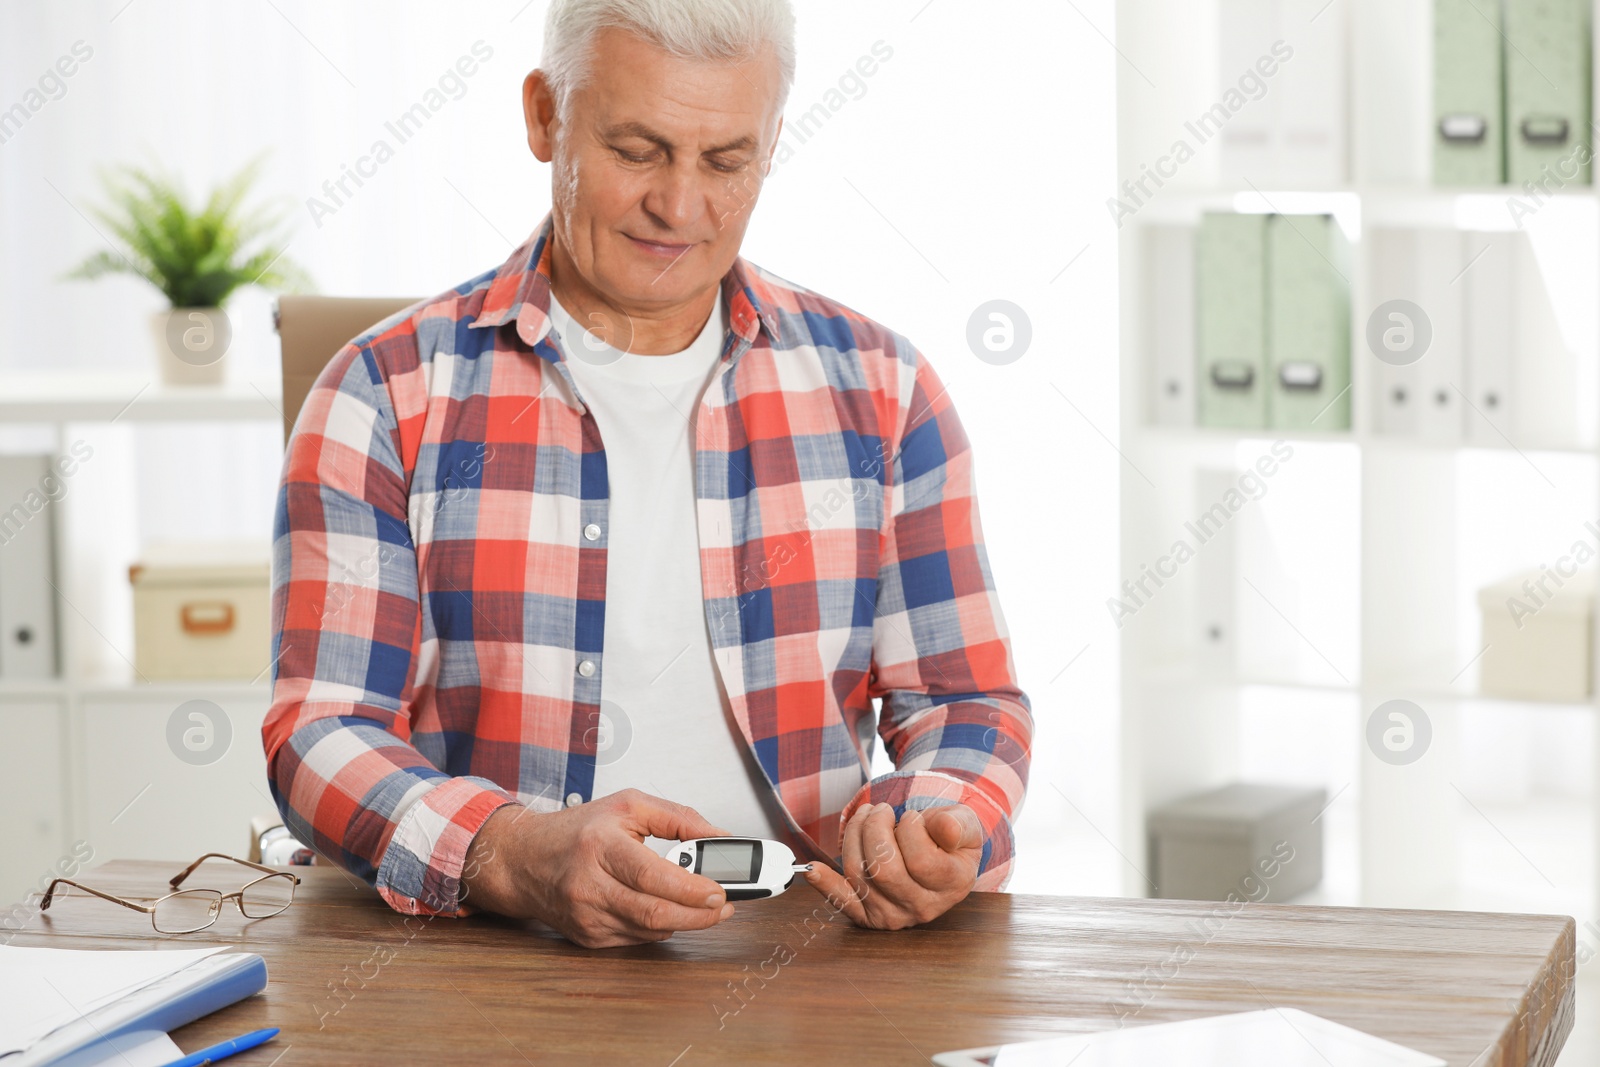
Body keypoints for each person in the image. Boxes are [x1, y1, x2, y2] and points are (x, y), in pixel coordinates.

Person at [264, 0, 1032, 949]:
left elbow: (965, 701)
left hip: (814, 965)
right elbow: (320, 732)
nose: (681, 207)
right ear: (546, 117)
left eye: (727, 161)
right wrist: (509, 851)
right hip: (489, 959)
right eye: (638, 150)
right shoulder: (382, 396)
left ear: (773, 141)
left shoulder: (885, 392)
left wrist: (932, 819)